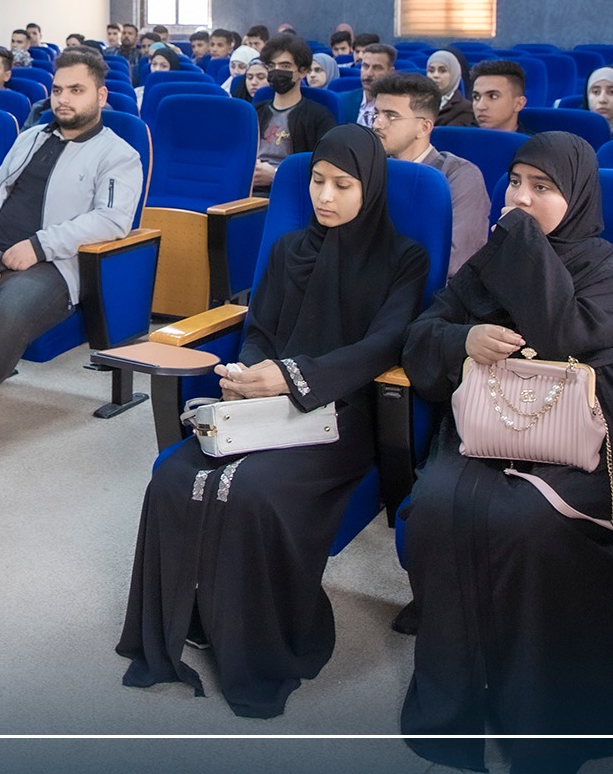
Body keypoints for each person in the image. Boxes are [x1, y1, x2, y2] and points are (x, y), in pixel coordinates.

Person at [118, 126, 428, 719]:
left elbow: (385, 345)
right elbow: (260, 328)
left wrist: (292, 377)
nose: (325, 197)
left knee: (253, 491)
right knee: (174, 477)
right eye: (317, 181)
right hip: (264, 403)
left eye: (343, 185)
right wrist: (249, 373)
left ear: (371, 187)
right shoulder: (289, 249)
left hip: (341, 413)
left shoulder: (403, 258)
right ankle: (193, 617)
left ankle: (259, 639)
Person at [400, 132, 613, 773]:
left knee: (531, 525)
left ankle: (542, 716)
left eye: (542, 188)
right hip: (488, 426)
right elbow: (423, 335)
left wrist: (524, 244)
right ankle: (458, 701)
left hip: (582, 440)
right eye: (514, 182)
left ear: (579, 196)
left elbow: (563, 337)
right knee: (436, 506)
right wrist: (465, 338)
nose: (520, 198)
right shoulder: (489, 260)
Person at [0, 49, 141, 392]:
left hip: (52, 265)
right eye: (57, 90)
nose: (63, 99)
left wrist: (39, 246)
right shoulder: (31, 137)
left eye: (76, 90)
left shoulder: (119, 155)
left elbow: (112, 220)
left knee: (8, 312)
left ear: (101, 96)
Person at [365, 72, 488, 274]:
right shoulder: (370, 168)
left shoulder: (459, 176)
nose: (377, 123)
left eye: (391, 115)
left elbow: (456, 261)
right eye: (376, 113)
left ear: (424, 127)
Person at [254, 34, 336, 191]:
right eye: (272, 66)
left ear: (303, 71)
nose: (277, 71)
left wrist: (276, 175)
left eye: (285, 66)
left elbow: (324, 167)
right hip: (248, 189)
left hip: (292, 191)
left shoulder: (319, 116)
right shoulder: (254, 112)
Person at [469, 59, 527, 133]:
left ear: (519, 104)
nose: (480, 106)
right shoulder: (461, 139)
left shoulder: (533, 140)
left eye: (493, 96)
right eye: (476, 97)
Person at [425, 50, 476, 128]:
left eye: (442, 71)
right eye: (431, 71)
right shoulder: (416, 102)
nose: (435, 75)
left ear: (453, 74)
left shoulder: (465, 108)